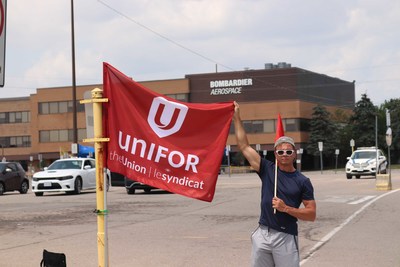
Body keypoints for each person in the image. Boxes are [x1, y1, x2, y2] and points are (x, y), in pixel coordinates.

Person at [233, 101, 316, 267]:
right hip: (263, 233)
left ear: (294, 154)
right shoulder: (267, 169)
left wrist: (286, 208)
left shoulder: (303, 181)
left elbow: (311, 214)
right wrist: (236, 117)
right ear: (275, 154)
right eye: (280, 151)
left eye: (288, 152)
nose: (284, 154)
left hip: (285, 237)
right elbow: (243, 145)